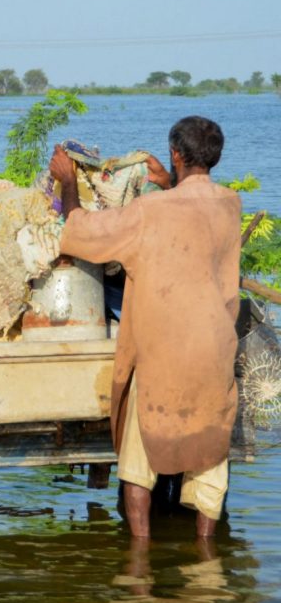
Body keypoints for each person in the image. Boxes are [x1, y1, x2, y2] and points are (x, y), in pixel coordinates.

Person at [51, 116, 241, 539]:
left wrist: (68, 182)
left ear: (175, 154)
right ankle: (206, 553)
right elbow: (192, 218)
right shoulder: (230, 205)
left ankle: (139, 555)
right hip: (214, 350)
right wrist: (170, 184)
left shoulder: (149, 210)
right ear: (214, 157)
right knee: (210, 458)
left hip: (162, 353)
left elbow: (80, 231)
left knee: (138, 464)